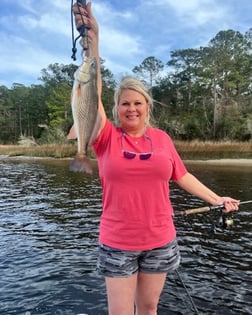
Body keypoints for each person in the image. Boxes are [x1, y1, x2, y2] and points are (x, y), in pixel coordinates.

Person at [73, 3, 240, 315]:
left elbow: (182, 176)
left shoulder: (162, 139)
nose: (131, 109)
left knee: (149, 308)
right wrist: (93, 37)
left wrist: (218, 198)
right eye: (125, 103)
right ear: (116, 108)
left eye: (138, 103)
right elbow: (92, 90)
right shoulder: (106, 137)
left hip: (160, 239)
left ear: (147, 107)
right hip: (118, 242)